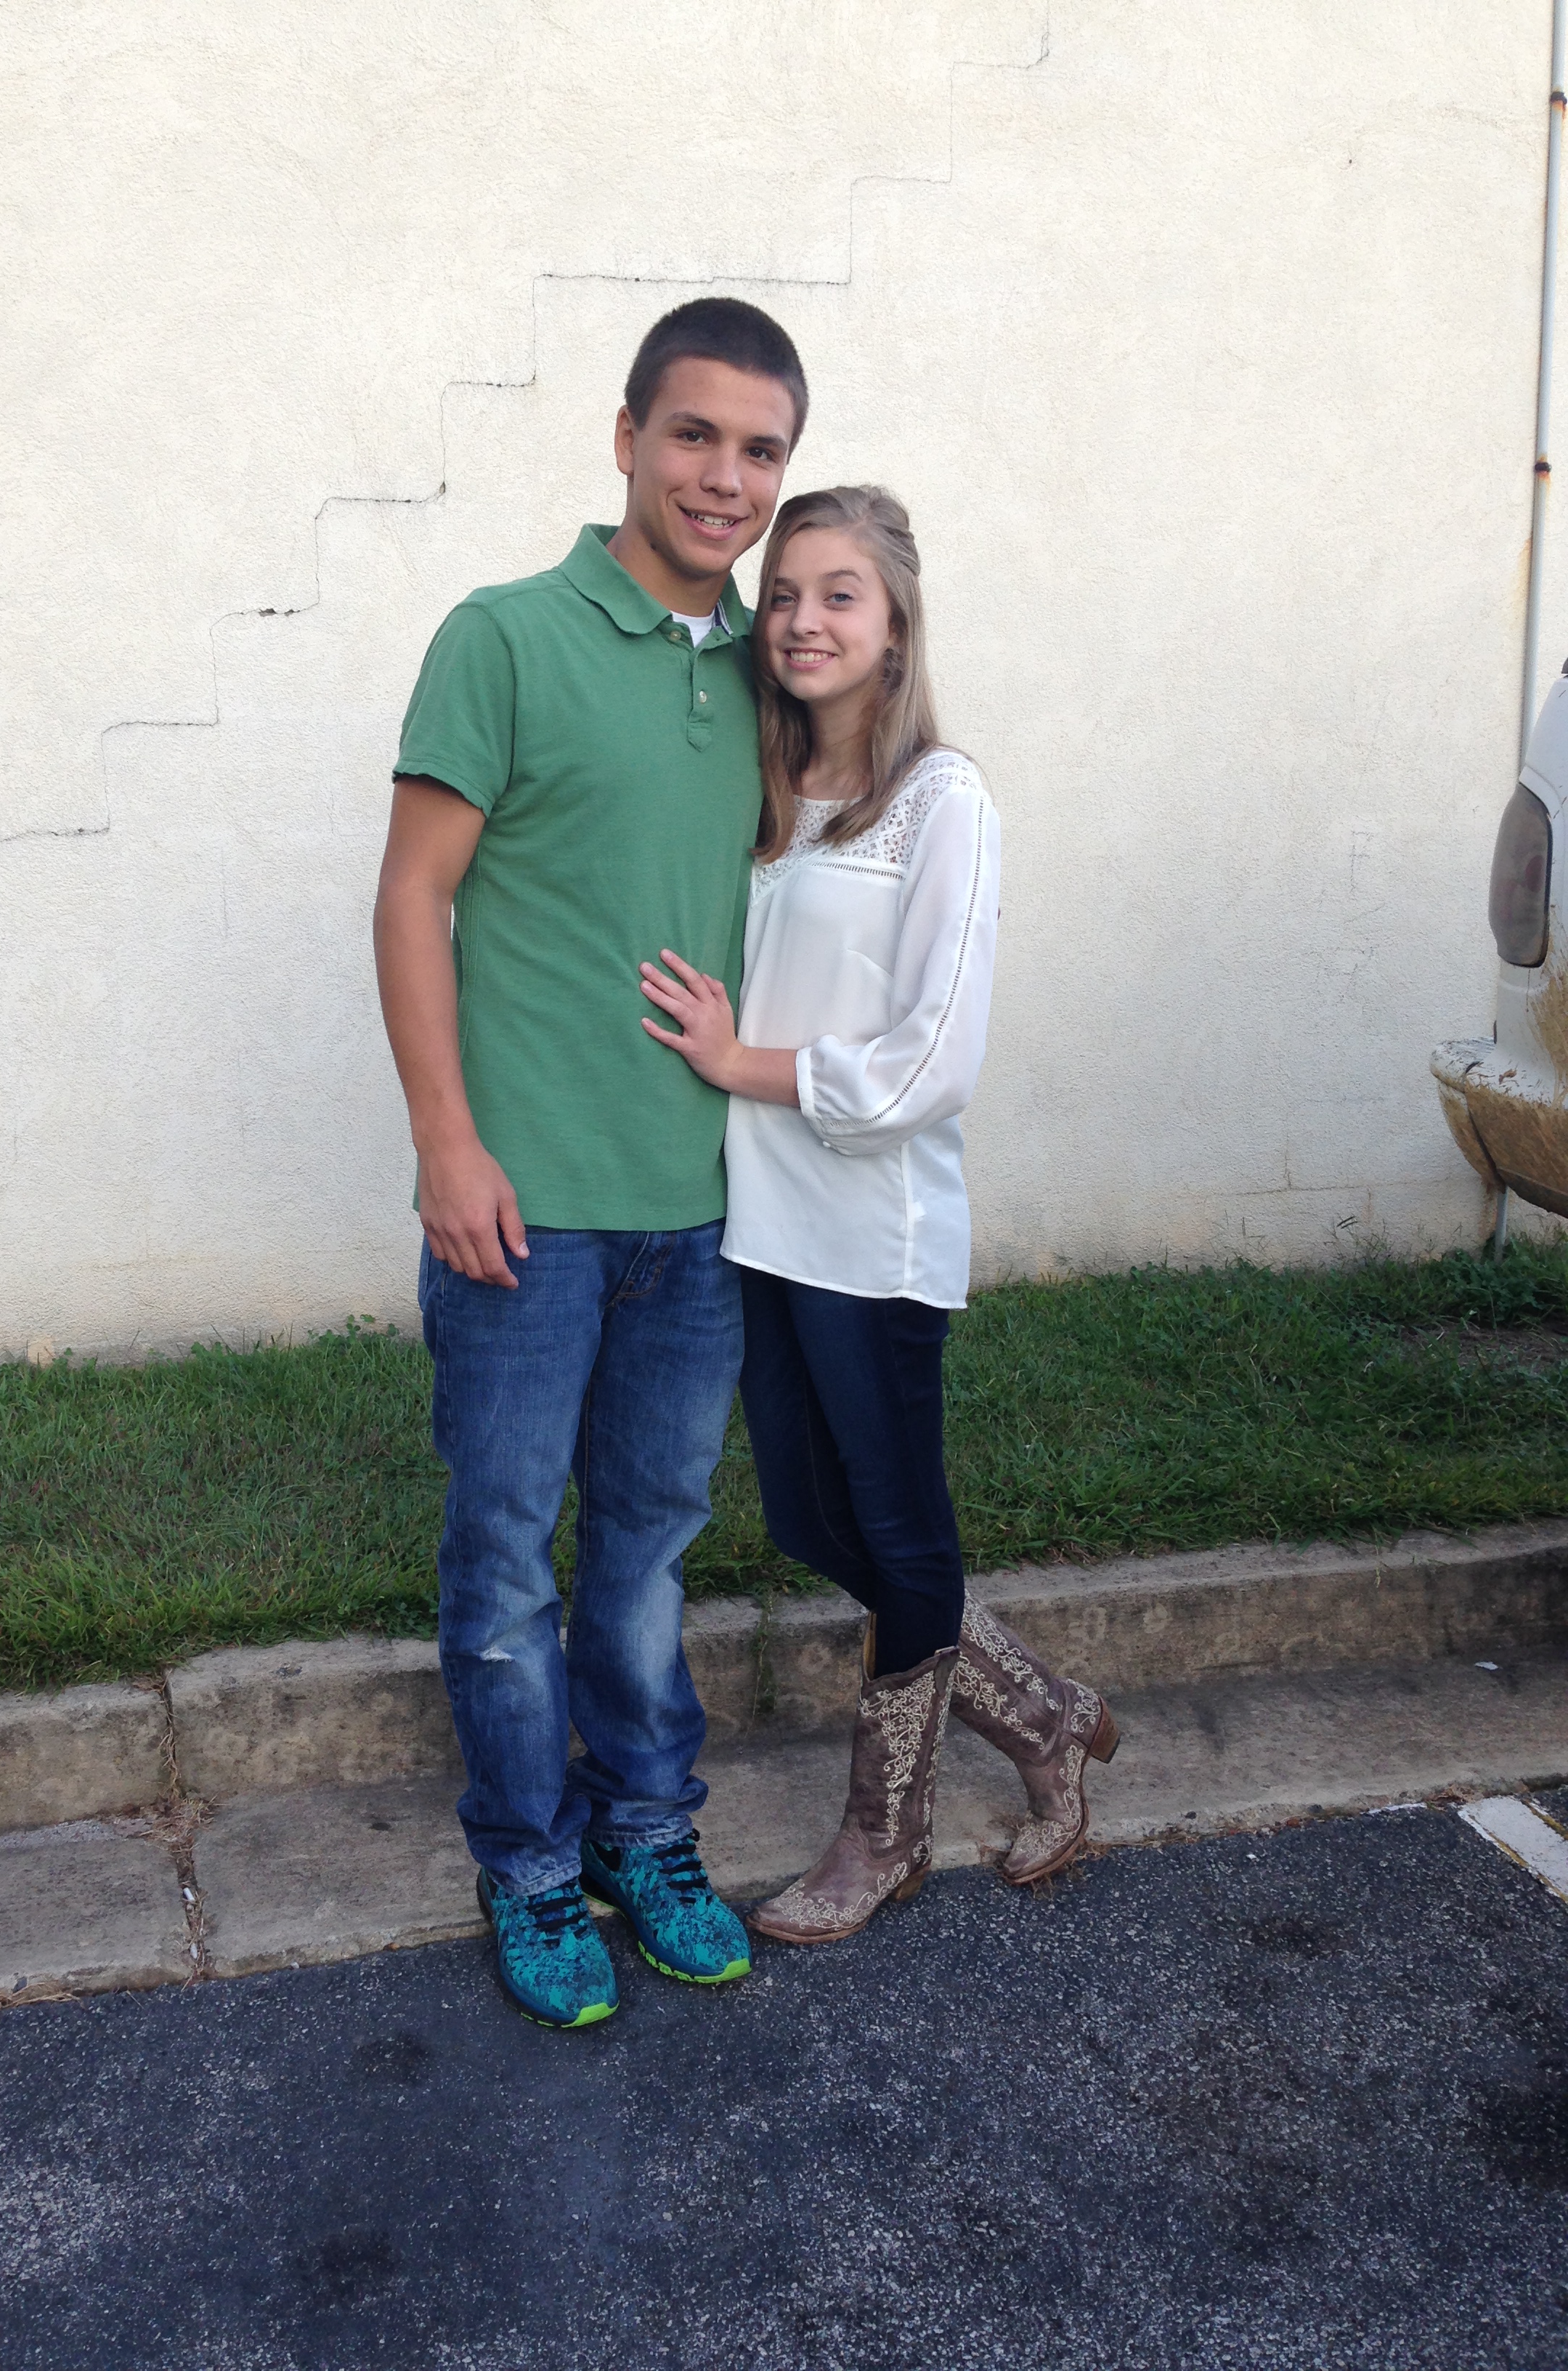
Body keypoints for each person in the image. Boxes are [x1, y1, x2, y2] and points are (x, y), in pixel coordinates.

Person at [373, 299, 807, 2026]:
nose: (724, 477)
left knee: (644, 1556)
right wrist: (446, 1144)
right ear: (627, 437)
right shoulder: (504, 637)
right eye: (694, 434)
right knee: (503, 1562)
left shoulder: (771, 676)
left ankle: (646, 1835)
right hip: (525, 1210)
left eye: (761, 449)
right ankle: (530, 1865)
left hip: (698, 1213)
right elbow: (413, 895)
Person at [638, 485, 1119, 1946]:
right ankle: (1044, 1717)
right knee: (810, 1515)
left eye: (837, 594)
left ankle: (884, 1832)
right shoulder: (772, 796)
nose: (800, 620)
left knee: (901, 1531)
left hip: (871, 1235)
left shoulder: (942, 801)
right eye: (784, 593)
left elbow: (930, 1061)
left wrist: (740, 1064)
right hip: (760, 1222)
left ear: (895, 624)